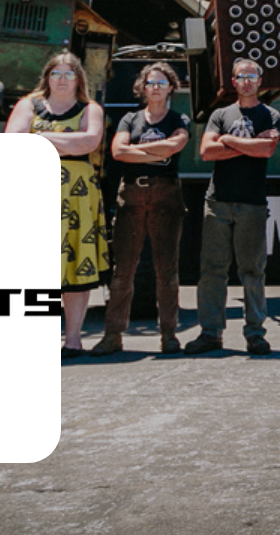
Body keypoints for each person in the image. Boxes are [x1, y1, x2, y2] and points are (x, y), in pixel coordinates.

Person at [4, 52, 106, 359]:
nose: (62, 79)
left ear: (79, 79)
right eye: (56, 73)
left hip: (77, 194)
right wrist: (67, 140)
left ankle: (73, 339)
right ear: (47, 77)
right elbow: (13, 140)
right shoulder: (28, 105)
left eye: (69, 74)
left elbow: (89, 142)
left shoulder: (90, 108)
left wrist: (37, 137)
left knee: (76, 264)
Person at [94, 62, 191, 356]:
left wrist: (138, 152)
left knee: (167, 269)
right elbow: (118, 151)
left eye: (162, 82)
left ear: (171, 87)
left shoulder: (179, 118)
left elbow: (175, 147)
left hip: (166, 193)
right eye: (151, 83)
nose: (156, 88)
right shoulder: (130, 119)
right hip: (132, 192)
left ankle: (169, 335)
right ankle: (113, 335)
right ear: (143, 88)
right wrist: (157, 150)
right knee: (123, 269)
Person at [187, 57, 280, 356]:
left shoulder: (270, 115)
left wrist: (227, 141)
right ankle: (210, 333)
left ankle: (255, 334)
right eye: (241, 77)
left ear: (260, 80)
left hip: (252, 203)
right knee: (212, 270)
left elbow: (266, 149)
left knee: (252, 271)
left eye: (252, 76)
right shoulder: (220, 114)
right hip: (218, 202)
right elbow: (207, 151)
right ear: (233, 81)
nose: (247, 81)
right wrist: (248, 145)